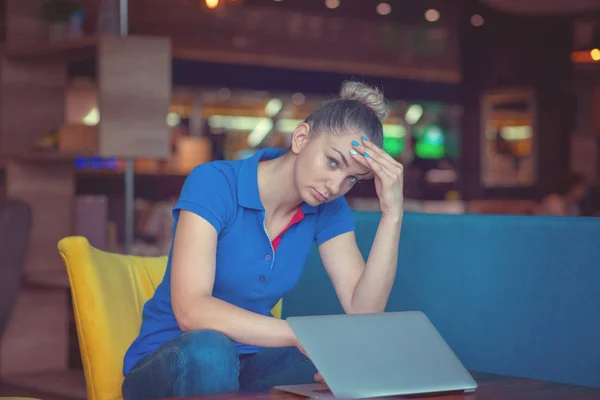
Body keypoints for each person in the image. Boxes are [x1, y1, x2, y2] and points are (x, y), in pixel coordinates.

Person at [121, 81, 405, 399]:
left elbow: (363, 315)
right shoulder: (215, 182)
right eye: (333, 162)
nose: (335, 185)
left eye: (352, 178)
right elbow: (192, 311)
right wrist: (299, 334)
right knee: (212, 349)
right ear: (301, 138)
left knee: (347, 358)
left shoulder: (328, 209)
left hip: (251, 362)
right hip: (171, 364)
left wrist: (392, 215)